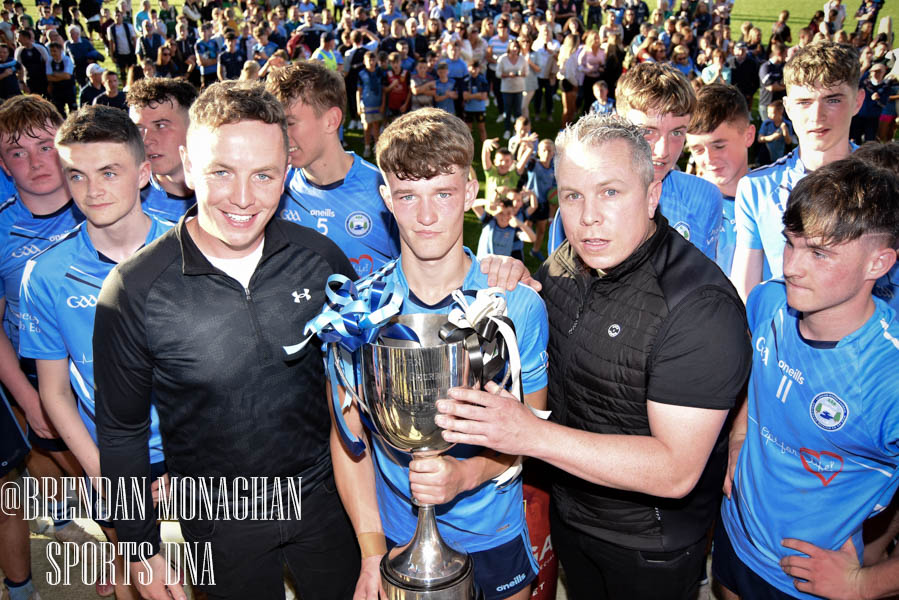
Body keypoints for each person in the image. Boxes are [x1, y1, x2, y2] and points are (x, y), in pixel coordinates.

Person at [436, 113, 752, 600]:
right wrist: (512, 283)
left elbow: (675, 469)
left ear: (651, 196)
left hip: (649, 547)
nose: (588, 217)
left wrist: (529, 433)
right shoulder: (563, 263)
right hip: (572, 520)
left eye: (610, 192)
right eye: (572, 195)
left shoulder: (700, 306)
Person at [94, 80, 361, 600]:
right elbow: (121, 432)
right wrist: (140, 548)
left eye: (263, 175)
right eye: (221, 172)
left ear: (286, 174)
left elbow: (358, 383)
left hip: (327, 502)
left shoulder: (322, 260)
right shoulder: (133, 289)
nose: (242, 198)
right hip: (216, 519)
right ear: (189, 167)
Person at [334, 107, 548, 600]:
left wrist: (467, 472)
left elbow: (537, 430)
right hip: (396, 537)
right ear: (386, 198)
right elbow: (348, 441)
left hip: (493, 532)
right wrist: (370, 554)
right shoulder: (358, 311)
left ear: (471, 191)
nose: (426, 216)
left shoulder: (516, 303)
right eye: (408, 196)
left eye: (444, 194)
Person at [715, 157, 899, 600]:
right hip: (735, 537)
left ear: (880, 262)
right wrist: (739, 434)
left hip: (807, 584)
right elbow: (754, 380)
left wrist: (861, 585)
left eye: (819, 252)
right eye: (791, 243)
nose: (793, 265)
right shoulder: (767, 302)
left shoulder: (889, 377)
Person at [18, 104, 170, 600]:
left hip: (198, 448)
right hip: (110, 455)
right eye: (77, 176)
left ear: (144, 172)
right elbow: (55, 392)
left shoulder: (190, 245)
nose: (93, 190)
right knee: (137, 572)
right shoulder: (46, 274)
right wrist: (102, 469)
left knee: (216, 567)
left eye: (109, 172)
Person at [548, 62, 723, 262]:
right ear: (617, 122)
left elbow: (706, 284)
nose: (663, 150)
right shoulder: (581, 204)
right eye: (647, 132)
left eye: (677, 132)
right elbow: (561, 285)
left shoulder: (704, 199)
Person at [731, 42, 863, 302]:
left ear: (857, 101)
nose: (817, 115)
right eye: (804, 102)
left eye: (833, 99)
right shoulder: (758, 189)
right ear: (788, 107)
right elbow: (745, 291)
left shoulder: (888, 181)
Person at [265, 62, 400, 277]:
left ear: (331, 120)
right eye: (276, 125)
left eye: (289, 123)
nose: (280, 135)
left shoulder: (382, 191)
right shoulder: (277, 188)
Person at [686, 84, 756, 276]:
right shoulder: (685, 207)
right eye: (698, 150)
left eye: (718, 146)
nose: (709, 159)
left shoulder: (772, 201)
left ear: (748, 136)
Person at [127, 77, 198, 222]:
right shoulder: (127, 208)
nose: (146, 140)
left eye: (161, 126)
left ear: (193, 128)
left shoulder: (230, 196)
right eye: (139, 129)